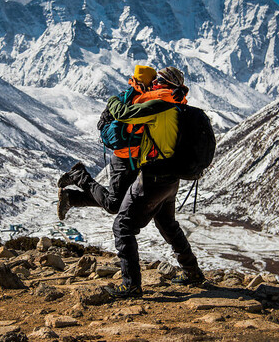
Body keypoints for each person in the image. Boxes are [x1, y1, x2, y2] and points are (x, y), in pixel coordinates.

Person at [103, 67, 204, 299]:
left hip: (154, 177)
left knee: (123, 226)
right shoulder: (179, 104)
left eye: (158, 80)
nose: (154, 83)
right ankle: (193, 272)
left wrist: (112, 99)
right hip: (171, 178)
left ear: (163, 83)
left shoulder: (158, 105)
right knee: (167, 223)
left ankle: (131, 285)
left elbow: (124, 114)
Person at [56, 65, 158, 220]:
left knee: (122, 202)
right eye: (154, 81)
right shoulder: (140, 102)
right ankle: (79, 176)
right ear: (148, 82)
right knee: (114, 205)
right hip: (125, 159)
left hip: (131, 158)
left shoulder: (129, 96)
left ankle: (71, 198)